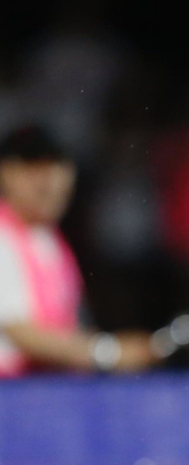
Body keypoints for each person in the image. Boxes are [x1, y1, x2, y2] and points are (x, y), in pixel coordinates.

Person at [0, 125, 162, 375]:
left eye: (56, 166)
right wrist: (109, 353)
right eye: (34, 168)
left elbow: (70, 327)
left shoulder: (51, 241)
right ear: (6, 173)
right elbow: (16, 330)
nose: (49, 180)